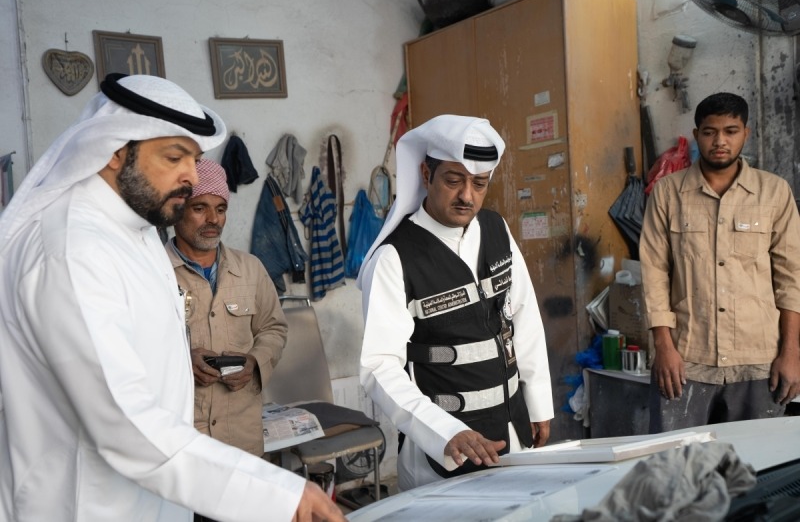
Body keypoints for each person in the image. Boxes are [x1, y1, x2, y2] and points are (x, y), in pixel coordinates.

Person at [0, 73, 344, 522]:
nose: (191, 175)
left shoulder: (136, 231)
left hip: (153, 499)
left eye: (195, 159)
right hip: (84, 504)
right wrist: (279, 494)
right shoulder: (72, 249)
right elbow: (124, 424)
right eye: (174, 157)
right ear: (115, 151)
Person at [357, 114, 554, 491]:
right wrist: (444, 432)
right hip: (442, 454)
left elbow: (523, 317)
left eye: (479, 183)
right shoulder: (395, 257)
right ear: (425, 174)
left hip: (513, 430)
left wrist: (539, 401)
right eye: (453, 180)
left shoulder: (496, 229)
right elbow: (379, 365)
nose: (467, 196)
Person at [640, 91, 800, 433]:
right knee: (678, 460)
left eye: (731, 131)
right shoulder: (667, 193)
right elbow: (654, 273)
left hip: (758, 360)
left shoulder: (774, 192)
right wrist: (663, 347)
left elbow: (791, 277)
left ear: (746, 133)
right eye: (710, 132)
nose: (720, 141)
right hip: (686, 359)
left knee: (756, 463)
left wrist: (791, 352)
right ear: (696, 135)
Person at [167, 158, 287, 459]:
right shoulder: (153, 270)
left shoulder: (250, 268)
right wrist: (182, 360)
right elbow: (134, 345)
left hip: (241, 437)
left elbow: (273, 328)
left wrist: (254, 362)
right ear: (177, 210)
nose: (213, 219)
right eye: (199, 208)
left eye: (220, 209)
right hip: (183, 437)